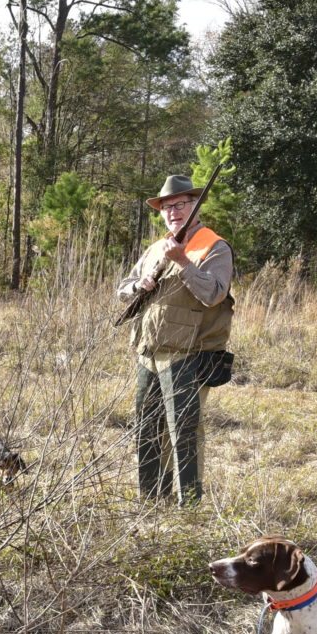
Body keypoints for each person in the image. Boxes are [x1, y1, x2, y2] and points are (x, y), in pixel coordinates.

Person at [117, 174, 234, 503]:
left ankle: (189, 505)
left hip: (190, 354)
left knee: (183, 431)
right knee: (146, 428)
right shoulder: (156, 248)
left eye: (180, 204)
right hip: (148, 352)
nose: (173, 212)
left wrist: (183, 262)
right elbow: (123, 287)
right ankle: (153, 498)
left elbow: (213, 294)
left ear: (195, 205)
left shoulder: (214, 247)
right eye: (167, 207)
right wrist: (138, 287)